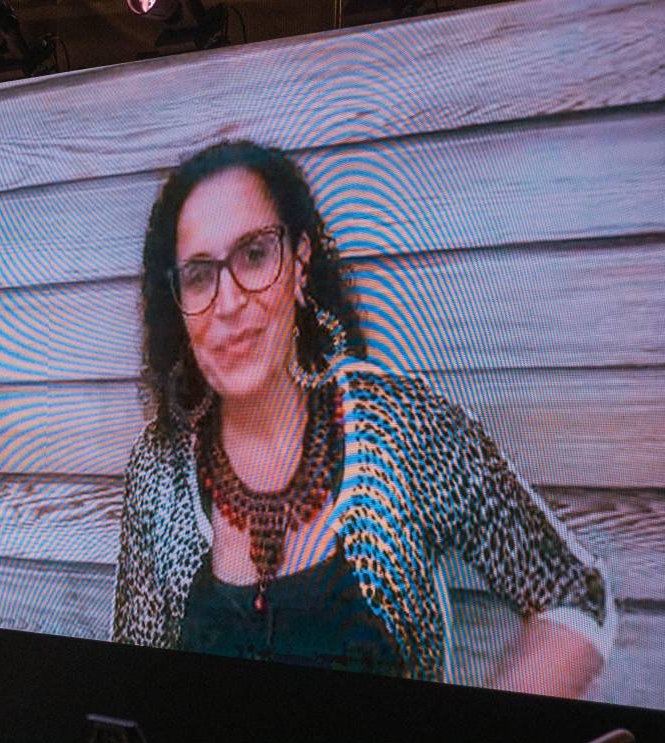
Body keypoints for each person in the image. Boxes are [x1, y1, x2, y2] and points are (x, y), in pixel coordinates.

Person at [112, 139, 612, 696]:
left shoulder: (402, 428)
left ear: (300, 264)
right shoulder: (157, 470)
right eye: (200, 274)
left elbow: (573, 595)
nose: (228, 303)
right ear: (176, 302)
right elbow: (138, 681)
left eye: (255, 254)